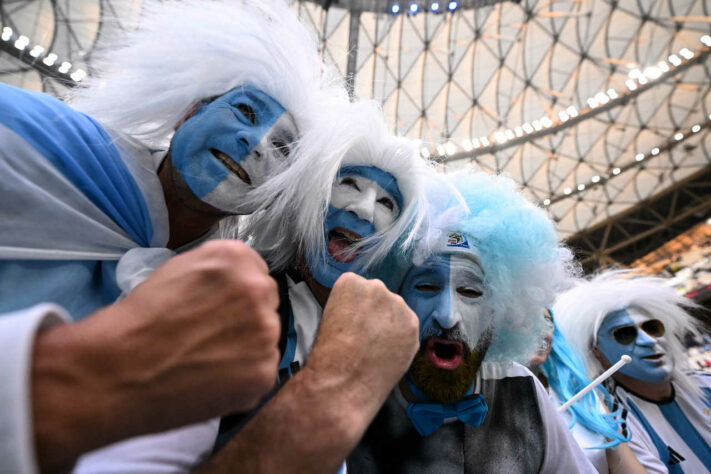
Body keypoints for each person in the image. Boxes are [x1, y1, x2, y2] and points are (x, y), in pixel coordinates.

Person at [0, 0, 346, 471]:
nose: (256, 141)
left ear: (276, 195)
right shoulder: (53, 149)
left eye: (283, 148)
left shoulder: (219, 306)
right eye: (244, 111)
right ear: (189, 112)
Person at [197, 99, 429, 473]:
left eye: (387, 202)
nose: (364, 209)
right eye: (350, 183)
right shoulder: (237, 298)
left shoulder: (382, 341)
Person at [347, 170, 596, 473]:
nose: (448, 315)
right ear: (392, 295)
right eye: (426, 288)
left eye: (470, 291)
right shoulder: (354, 399)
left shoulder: (521, 389)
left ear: (501, 310)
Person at [554, 270, 711, 473]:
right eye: (624, 334)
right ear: (596, 350)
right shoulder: (615, 423)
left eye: (652, 328)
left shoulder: (706, 384)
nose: (649, 341)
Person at [529, 309, 664, 473]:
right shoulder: (493, 405)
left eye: (547, 322)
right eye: (525, 320)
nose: (543, 332)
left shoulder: (581, 395)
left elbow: (626, 467)